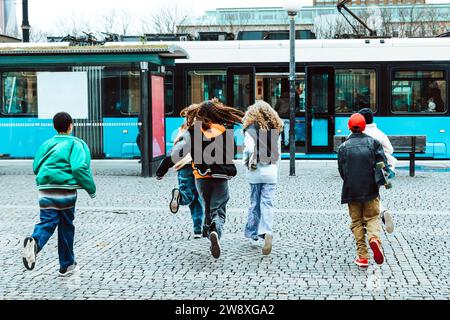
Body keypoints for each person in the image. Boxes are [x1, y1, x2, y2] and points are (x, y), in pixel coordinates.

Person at [156, 99, 244, 259]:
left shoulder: (193, 131)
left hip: (201, 177)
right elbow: (232, 154)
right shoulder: (225, 129)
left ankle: (207, 229)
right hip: (220, 176)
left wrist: (161, 170)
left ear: (198, 114)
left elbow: (176, 154)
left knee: (207, 205)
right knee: (218, 210)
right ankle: (214, 230)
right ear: (218, 112)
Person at [23, 112, 96, 276]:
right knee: (66, 226)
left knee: (47, 221)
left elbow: (36, 166)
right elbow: (79, 167)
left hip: (45, 189)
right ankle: (67, 265)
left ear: (54, 127)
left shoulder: (47, 144)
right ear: (71, 126)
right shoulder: (75, 144)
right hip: (65, 191)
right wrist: (91, 188)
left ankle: (35, 242)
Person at [338, 113, 388, 268]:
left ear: (349, 127)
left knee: (357, 222)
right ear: (365, 126)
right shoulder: (373, 143)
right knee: (372, 217)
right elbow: (382, 165)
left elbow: (342, 171)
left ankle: (363, 256)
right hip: (371, 189)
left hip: (351, 190)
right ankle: (374, 239)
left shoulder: (343, 147)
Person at [242, 101, 283, 255]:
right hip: (271, 171)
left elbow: (249, 149)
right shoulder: (276, 129)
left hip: (255, 172)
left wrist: (247, 161)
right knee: (267, 203)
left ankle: (252, 232)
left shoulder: (250, 128)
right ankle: (267, 231)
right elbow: (278, 152)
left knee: (254, 202)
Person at [158, 119, 204, 239]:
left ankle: (179, 197)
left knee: (187, 193)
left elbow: (173, 152)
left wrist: (161, 171)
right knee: (197, 198)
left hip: (183, 166)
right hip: (197, 165)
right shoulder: (201, 130)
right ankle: (198, 229)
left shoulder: (181, 130)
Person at [358, 108, 396, 234]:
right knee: (373, 194)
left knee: (364, 197)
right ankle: (381, 214)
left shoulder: (357, 132)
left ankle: (373, 220)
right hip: (379, 171)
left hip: (360, 170)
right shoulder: (380, 133)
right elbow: (390, 150)